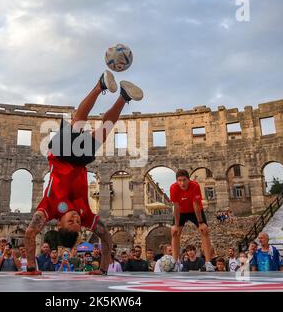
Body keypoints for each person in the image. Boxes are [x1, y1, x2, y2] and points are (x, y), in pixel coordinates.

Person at [22, 71, 143, 275]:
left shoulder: (48, 209)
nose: (76, 218)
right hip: (78, 163)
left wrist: (32, 267)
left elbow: (30, 232)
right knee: (104, 132)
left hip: (59, 156)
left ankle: (100, 85)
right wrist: (103, 268)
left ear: (58, 225)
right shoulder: (86, 215)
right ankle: (124, 96)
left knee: (78, 123)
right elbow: (106, 237)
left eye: (71, 221)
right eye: (78, 223)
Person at [170, 169, 215, 272]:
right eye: (179, 180)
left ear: (188, 180)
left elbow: (196, 204)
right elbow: (176, 207)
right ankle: (175, 263)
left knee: (204, 231)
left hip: (195, 210)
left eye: (184, 180)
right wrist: (176, 225)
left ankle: (208, 263)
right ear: (176, 181)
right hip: (181, 211)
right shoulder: (173, 188)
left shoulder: (195, 185)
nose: (182, 183)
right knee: (175, 233)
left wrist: (200, 223)